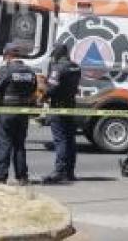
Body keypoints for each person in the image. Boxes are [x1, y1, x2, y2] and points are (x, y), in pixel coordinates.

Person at [0, 43, 37, 185]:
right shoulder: (29, 71)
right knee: (19, 144)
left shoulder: (6, 70)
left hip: (7, 111)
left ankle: (1, 176)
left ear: (8, 55)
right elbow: (34, 89)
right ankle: (22, 177)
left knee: (4, 144)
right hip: (23, 112)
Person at [42, 43, 82, 184]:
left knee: (61, 140)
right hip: (71, 106)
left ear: (57, 53)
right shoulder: (76, 67)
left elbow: (52, 88)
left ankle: (59, 172)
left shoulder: (58, 68)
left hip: (58, 107)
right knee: (70, 140)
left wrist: (43, 96)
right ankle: (69, 171)